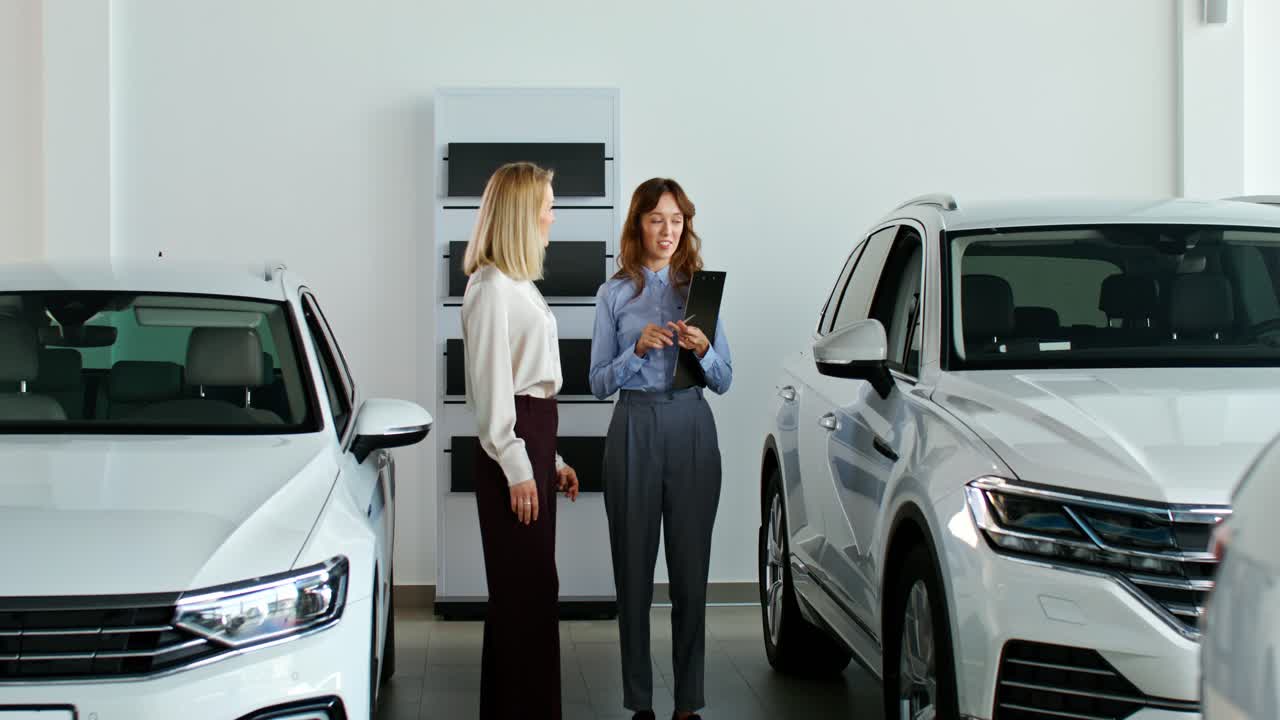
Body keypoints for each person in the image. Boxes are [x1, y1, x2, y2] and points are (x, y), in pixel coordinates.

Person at [589, 178, 732, 720]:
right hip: (634, 425)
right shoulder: (613, 295)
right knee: (633, 574)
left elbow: (725, 379)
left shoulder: (700, 291)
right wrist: (635, 350)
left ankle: (688, 703)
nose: (668, 230)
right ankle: (640, 703)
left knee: (691, 574)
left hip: (692, 424)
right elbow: (597, 382)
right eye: (657, 220)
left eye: (676, 220)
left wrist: (705, 350)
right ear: (638, 225)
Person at [461, 161, 580, 720]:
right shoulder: (489, 288)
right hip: (514, 447)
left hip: (532, 439)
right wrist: (519, 466)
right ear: (522, 214)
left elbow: (528, 385)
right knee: (522, 599)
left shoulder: (517, 284)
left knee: (532, 598)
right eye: (547, 207)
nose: (553, 218)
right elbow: (492, 396)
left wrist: (550, 459)